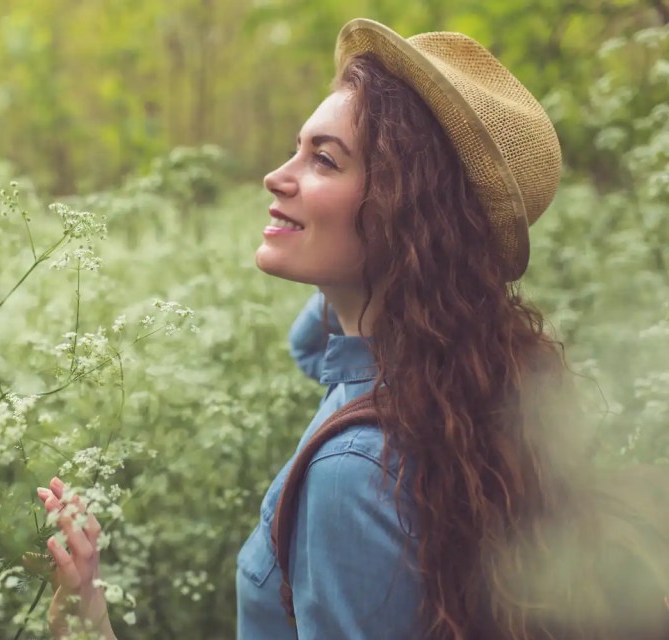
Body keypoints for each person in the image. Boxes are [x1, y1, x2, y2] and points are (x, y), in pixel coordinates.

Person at [35, 18, 669, 640]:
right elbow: (313, 344)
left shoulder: (350, 476)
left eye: (324, 160)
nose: (276, 176)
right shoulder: (469, 376)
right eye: (296, 146)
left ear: (402, 211)